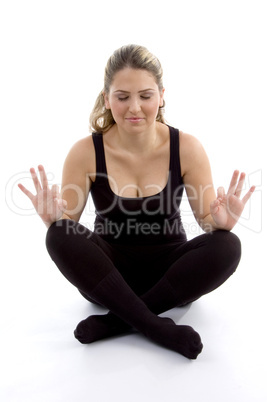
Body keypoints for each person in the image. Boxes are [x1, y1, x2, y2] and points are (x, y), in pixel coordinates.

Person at [18, 44, 255, 360]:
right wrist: (53, 220)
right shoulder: (85, 151)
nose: (134, 108)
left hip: (171, 271)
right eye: (122, 97)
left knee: (228, 245)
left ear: (161, 96)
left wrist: (221, 223)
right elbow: (69, 224)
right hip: (108, 271)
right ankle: (157, 326)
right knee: (58, 235)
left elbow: (207, 221)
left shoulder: (186, 146)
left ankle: (116, 322)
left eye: (145, 96)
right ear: (107, 98)